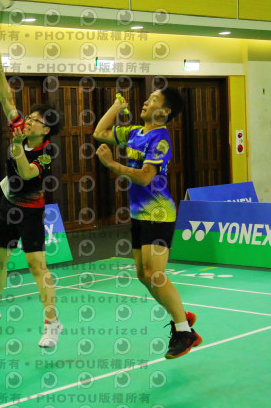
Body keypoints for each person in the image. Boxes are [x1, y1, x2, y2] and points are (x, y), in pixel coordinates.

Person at [0, 48, 63, 348]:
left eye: (35, 120)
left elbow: (27, 173)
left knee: (37, 267)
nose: (28, 121)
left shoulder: (46, 152)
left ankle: (52, 323)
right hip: (9, 206)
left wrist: (18, 146)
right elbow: (6, 99)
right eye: (28, 117)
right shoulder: (21, 129)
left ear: (46, 129)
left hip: (31, 211)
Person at [93, 87, 201, 359]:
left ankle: (184, 331)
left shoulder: (160, 140)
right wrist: (117, 107)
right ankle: (180, 314)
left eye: (153, 100)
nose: (145, 101)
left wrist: (111, 164)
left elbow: (144, 177)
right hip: (140, 214)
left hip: (158, 212)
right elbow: (100, 132)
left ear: (164, 112)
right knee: (143, 275)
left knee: (155, 274)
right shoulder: (135, 133)